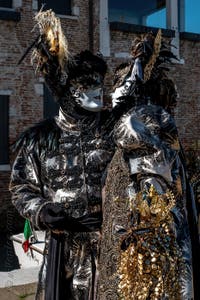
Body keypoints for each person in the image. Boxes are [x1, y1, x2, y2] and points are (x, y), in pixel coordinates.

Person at [10, 10, 114, 300]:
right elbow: (21, 188)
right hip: (63, 250)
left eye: (99, 83)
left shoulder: (113, 131)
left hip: (108, 248)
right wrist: (41, 211)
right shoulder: (39, 138)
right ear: (69, 88)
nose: (98, 90)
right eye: (87, 84)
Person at [97, 31, 200, 299]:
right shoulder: (129, 141)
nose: (113, 96)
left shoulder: (149, 136)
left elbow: (158, 211)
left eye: (120, 88)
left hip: (148, 258)